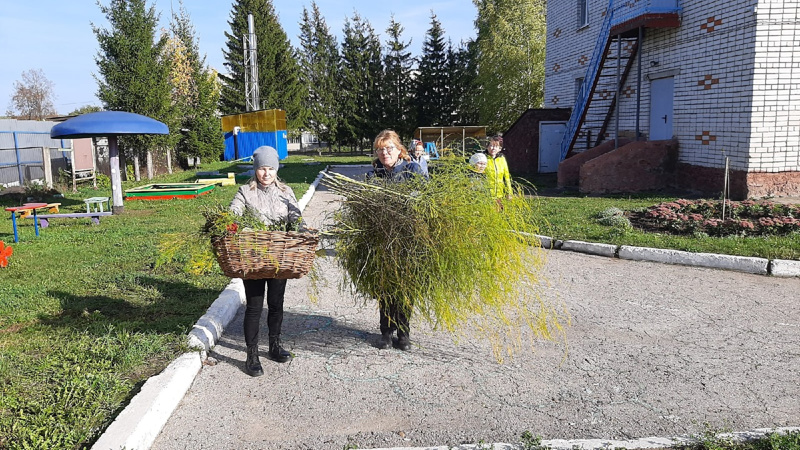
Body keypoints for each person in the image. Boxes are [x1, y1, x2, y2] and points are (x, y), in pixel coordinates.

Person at [230, 146, 301, 376]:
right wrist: (232, 225)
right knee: (253, 306)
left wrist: (299, 226)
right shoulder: (244, 192)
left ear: (276, 169)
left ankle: (274, 345)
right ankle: (251, 354)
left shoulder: (286, 191)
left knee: (276, 303)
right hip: (253, 258)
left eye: (271, 168)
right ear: (255, 169)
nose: (266, 173)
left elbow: (295, 217)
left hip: (279, 256)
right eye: (262, 168)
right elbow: (233, 215)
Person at [368, 130, 428, 351]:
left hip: (407, 238)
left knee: (405, 286)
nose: (385, 153)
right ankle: (386, 332)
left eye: (389, 148)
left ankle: (403, 333)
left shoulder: (412, 169)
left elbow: (426, 196)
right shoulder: (375, 173)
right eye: (380, 149)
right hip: (383, 239)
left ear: (399, 150)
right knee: (386, 287)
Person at [485, 135, 513, 203]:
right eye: (491, 145)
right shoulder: (482, 158)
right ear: (487, 146)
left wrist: (509, 192)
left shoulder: (502, 159)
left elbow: (506, 177)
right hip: (486, 195)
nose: (493, 148)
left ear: (500, 148)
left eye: (496, 146)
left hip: (499, 195)